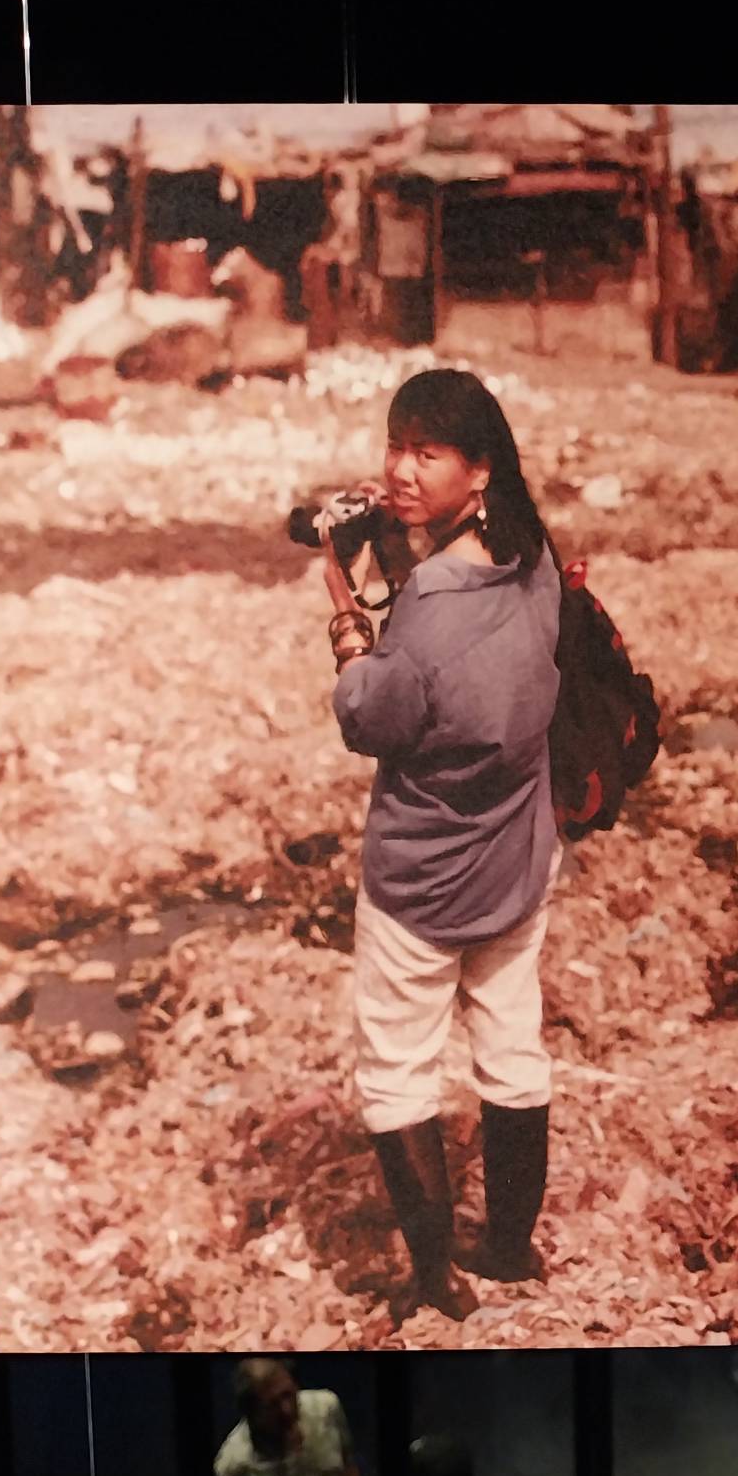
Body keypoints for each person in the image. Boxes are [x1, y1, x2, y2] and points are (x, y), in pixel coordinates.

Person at [319, 368, 566, 1321]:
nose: (400, 469)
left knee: (397, 1067)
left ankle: (433, 1282)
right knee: (512, 1046)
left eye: (428, 453)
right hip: (517, 859)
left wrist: (345, 611)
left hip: (421, 878)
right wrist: (398, 545)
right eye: (396, 445)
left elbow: (372, 714)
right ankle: (509, 1248)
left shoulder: (422, 614)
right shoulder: (535, 561)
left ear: (479, 470)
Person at [214, 1360, 360, 1476]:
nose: (287, 1410)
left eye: (287, 1394)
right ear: (251, 1413)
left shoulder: (326, 1407)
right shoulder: (232, 1466)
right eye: (272, 1405)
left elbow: (349, 1465)